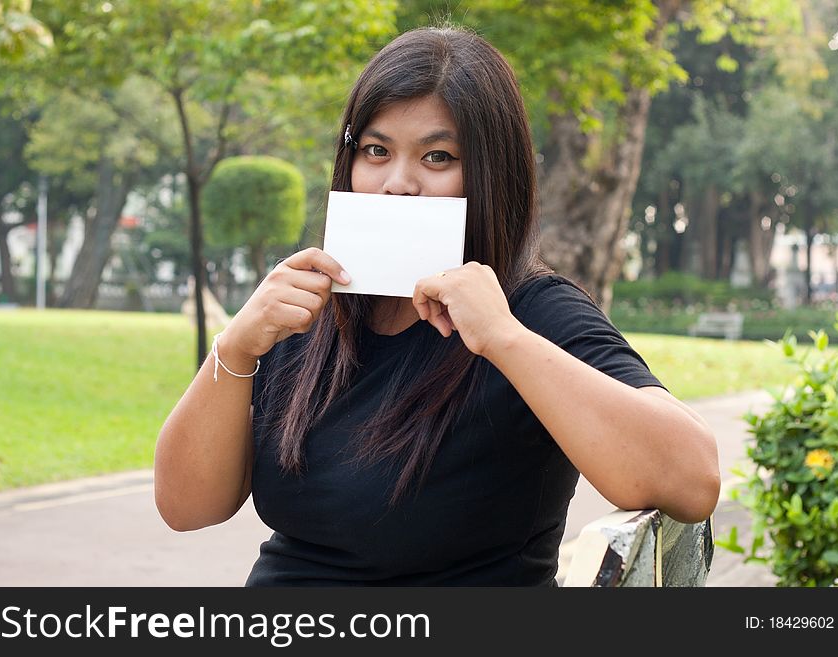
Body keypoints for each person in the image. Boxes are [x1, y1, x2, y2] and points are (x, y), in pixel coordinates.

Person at [154, 26, 720, 586]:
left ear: (490, 175)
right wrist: (234, 349)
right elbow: (186, 508)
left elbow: (692, 482)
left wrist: (502, 337)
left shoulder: (532, 312)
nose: (397, 184)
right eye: (376, 151)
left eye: (437, 156)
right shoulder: (309, 308)